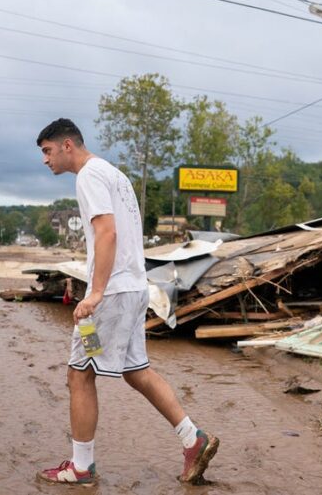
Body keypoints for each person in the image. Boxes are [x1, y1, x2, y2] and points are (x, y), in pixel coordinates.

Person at [35, 118, 218, 486]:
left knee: (79, 372)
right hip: (135, 288)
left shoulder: (87, 176)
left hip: (113, 293)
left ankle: (81, 466)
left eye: (47, 151)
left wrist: (96, 293)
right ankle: (191, 438)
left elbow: (107, 231)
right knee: (135, 370)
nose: (45, 160)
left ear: (67, 144)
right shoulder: (114, 174)